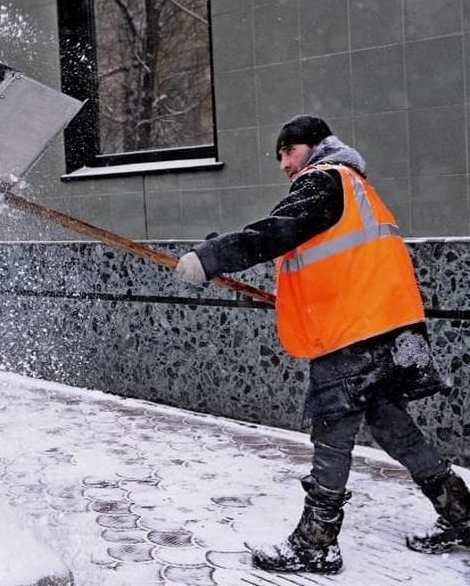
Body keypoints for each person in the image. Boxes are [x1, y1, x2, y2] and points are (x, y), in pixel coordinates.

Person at [173, 115, 470, 573]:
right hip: (387, 327)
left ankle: (316, 541)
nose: (283, 165)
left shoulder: (325, 179)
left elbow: (277, 231)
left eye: (287, 152)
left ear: (314, 146)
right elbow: (321, 257)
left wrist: (210, 258)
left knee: (332, 430)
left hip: (352, 332)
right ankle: (462, 514)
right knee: (393, 427)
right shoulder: (354, 188)